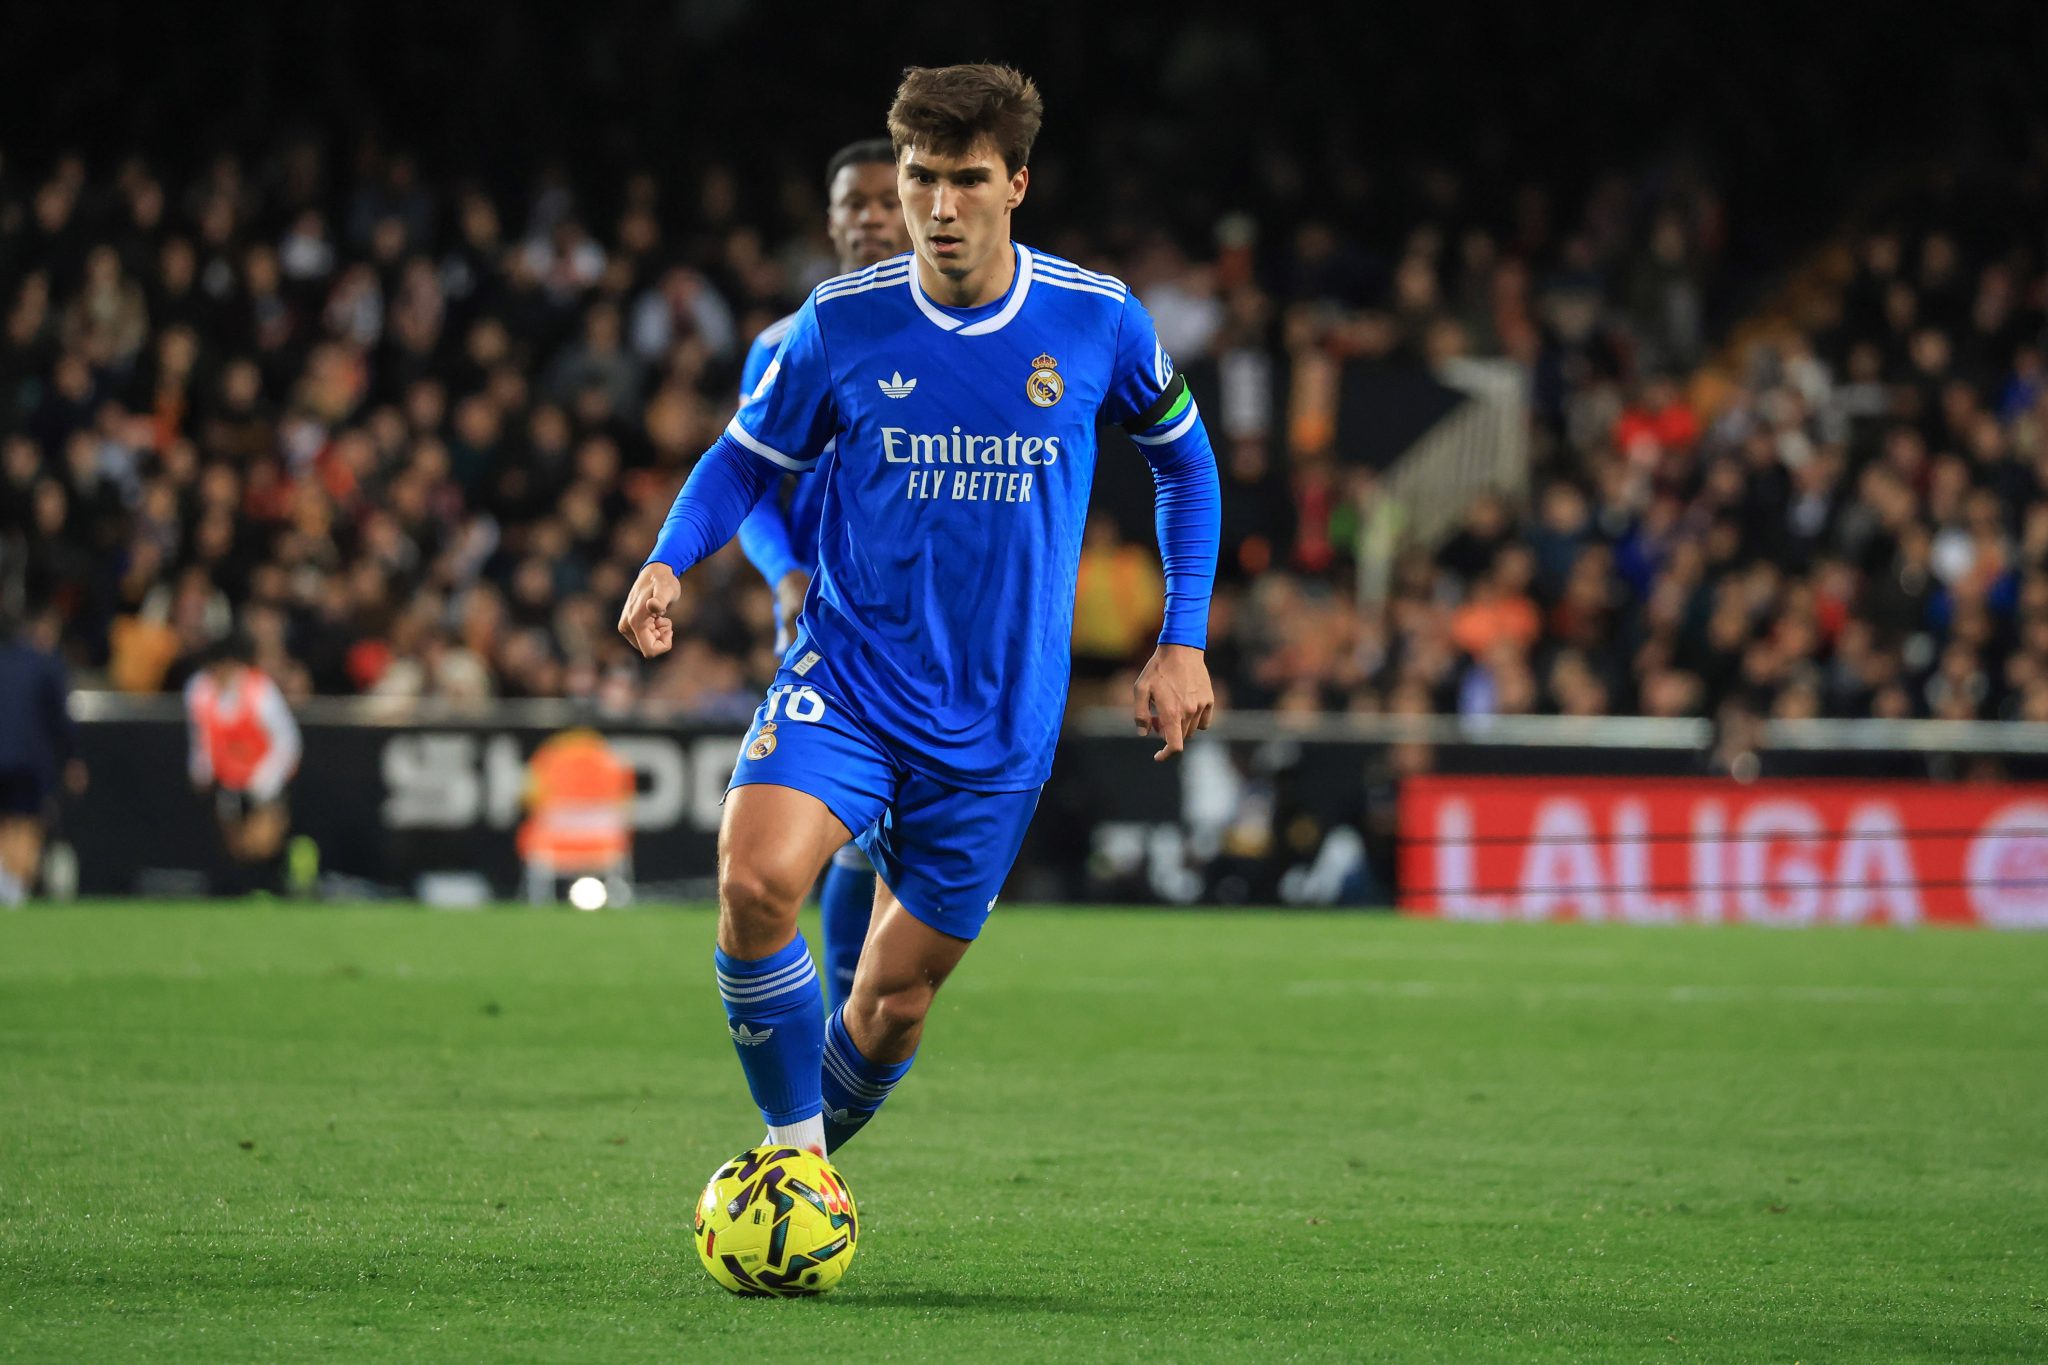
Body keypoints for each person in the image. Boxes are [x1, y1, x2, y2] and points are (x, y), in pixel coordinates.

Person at [618, 64, 1221, 1159]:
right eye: (918, 180)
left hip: (996, 722)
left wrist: (1180, 639)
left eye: (966, 181)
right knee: (754, 881)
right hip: (847, 676)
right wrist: (670, 559)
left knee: (891, 1003)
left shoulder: (1095, 320)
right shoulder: (838, 324)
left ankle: (800, 1165)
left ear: (1016, 185)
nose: (938, 209)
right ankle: (791, 1161)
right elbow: (743, 463)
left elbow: (1185, 464)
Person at [734, 138, 910, 1012]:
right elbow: (748, 481)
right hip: (820, 614)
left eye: (888, 201)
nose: (874, 218)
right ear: (832, 219)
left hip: (917, 620)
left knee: (873, 841)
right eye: (856, 204)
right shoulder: (780, 342)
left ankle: (852, 1019)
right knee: (830, 830)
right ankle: (834, 1021)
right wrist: (786, 571)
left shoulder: (946, 339)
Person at [184, 633, 302, 893]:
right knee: (234, 845)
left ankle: (273, 886)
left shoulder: (260, 691)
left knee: (263, 841)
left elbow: (288, 740)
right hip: (228, 783)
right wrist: (201, 771)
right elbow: (201, 738)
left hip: (263, 782)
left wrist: (266, 778)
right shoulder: (200, 690)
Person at [0, 604, 84, 906]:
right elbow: (61, 719)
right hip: (26, 761)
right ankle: (13, 894)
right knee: (26, 824)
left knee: (6, 823)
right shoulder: (46, 663)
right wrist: (72, 759)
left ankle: (6, 886)